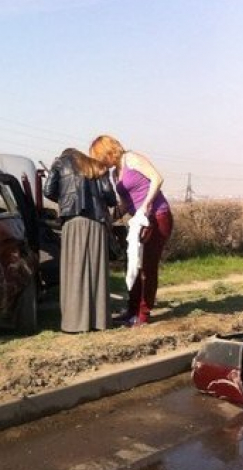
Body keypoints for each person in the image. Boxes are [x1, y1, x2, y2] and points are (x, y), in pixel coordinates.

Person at [89, 134, 173, 326]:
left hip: (157, 216)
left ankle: (143, 313)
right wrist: (110, 218)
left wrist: (145, 206)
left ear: (108, 152)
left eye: (100, 157)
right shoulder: (114, 173)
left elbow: (157, 178)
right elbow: (127, 202)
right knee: (133, 266)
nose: (101, 162)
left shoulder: (132, 158)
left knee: (147, 267)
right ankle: (131, 310)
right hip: (139, 221)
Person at [44, 148, 116, 333]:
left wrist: (63, 198)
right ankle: (99, 321)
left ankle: (74, 323)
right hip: (96, 223)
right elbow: (110, 197)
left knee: (73, 270)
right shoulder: (96, 166)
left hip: (72, 222)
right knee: (97, 270)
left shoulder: (59, 163)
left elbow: (48, 191)